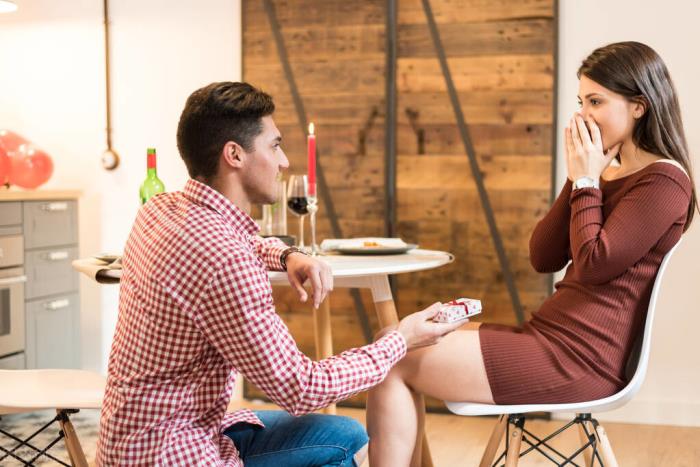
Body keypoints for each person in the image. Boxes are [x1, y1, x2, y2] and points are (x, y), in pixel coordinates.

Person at [95, 82, 463, 466]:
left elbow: (242, 240)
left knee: (346, 433)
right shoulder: (226, 262)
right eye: (274, 146)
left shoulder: (160, 209)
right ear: (234, 155)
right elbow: (301, 388)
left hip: (135, 440)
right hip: (173, 453)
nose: (284, 161)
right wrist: (401, 340)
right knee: (340, 453)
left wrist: (288, 255)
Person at [366, 41, 697, 466]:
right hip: (547, 338)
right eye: (581, 102)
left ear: (639, 106)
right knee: (390, 341)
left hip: (581, 359)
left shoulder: (664, 181)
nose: (583, 115)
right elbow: (543, 257)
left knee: (391, 359)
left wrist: (586, 182)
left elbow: (593, 264)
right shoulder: (603, 173)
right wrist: (579, 178)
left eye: (596, 101)